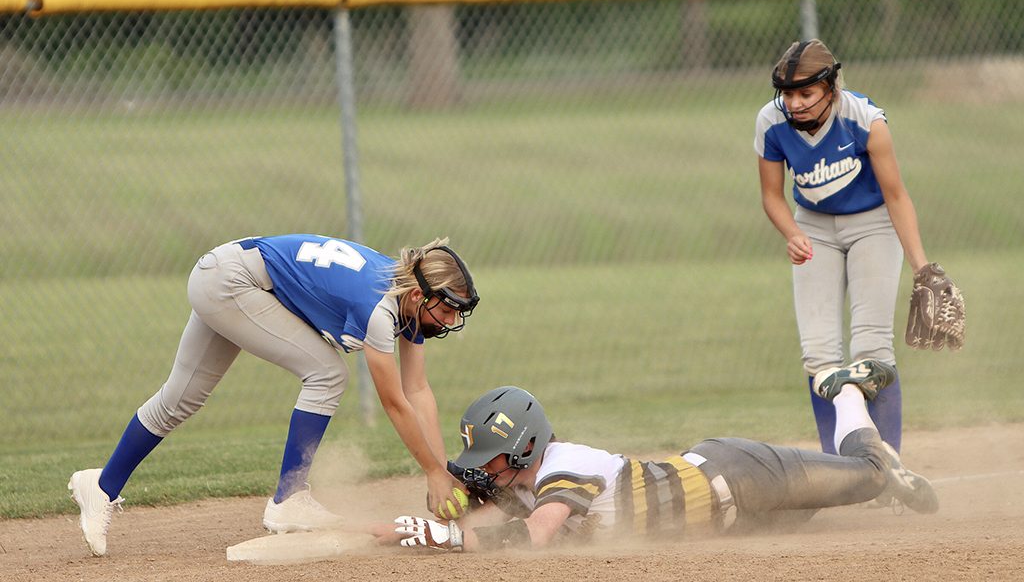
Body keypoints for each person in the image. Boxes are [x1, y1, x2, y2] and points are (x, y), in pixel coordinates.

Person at [68, 234, 479, 557]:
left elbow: (418, 390)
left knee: (179, 400)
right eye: (445, 309)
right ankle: (289, 498)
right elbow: (394, 403)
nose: (450, 319)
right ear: (417, 295)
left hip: (226, 274)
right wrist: (431, 472)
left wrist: (439, 470)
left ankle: (101, 486)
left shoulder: (404, 300)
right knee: (326, 373)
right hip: (233, 281)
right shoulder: (380, 310)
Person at [380, 364, 938, 553]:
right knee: (817, 514)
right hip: (737, 519)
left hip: (740, 476)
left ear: (526, 447)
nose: (484, 468)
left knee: (868, 479)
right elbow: (485, 522)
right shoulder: (522, 487)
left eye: (493, 457)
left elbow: (532, 539)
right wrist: (421, 526)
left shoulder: (563, 466)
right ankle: (873, 464)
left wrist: (441, 538)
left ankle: (845, 393)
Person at [754, 38, 938, 455]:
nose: (795, 103)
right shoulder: (770, 122)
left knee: (872, 348)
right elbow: (771, 195)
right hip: (813, 227)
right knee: (819, 357)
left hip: (872, 223)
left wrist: (921, 266)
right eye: (787, 93)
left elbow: (896, 195)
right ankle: (835, 469)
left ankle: (886, 463)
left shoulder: (866, 120)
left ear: (831, 90)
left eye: (806, 93)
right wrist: (792, 233)